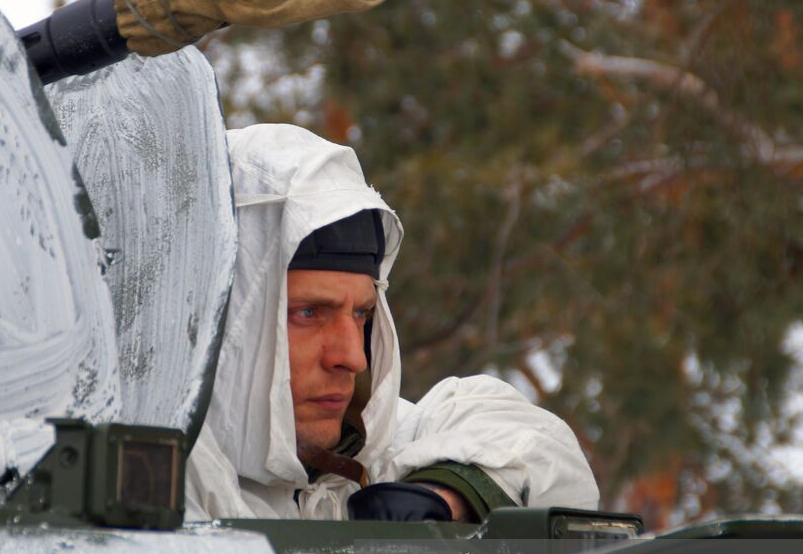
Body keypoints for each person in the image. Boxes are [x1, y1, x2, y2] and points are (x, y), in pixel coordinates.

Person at [184, 123, 598, 521]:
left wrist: (448, 494)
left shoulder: (369, 454)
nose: (352, 357)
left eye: (361, 314)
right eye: (308, 314)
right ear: (219, 318)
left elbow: (537, 445)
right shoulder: (162, 483)